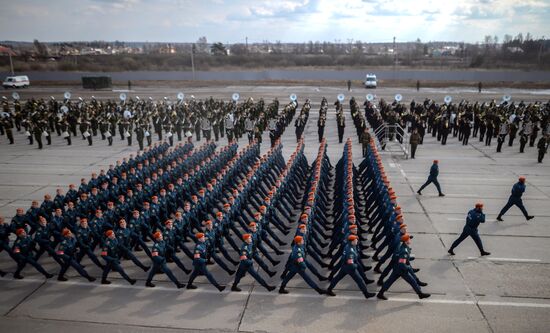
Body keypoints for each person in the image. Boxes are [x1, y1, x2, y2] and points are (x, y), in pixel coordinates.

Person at [377, 234, 430, 300]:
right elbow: (402, 263)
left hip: (397, 268)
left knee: (389, 281)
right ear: (406, 241)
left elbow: (402, 259)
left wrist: (409, 259)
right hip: (402, 270)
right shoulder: (404, 251)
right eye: (409, 239)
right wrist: (407, 268)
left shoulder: (404, 247)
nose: (410, 240)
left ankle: (380, 293)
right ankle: (420, 294)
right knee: (412, 281)